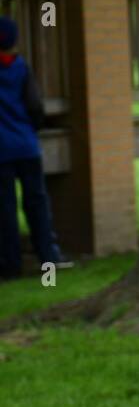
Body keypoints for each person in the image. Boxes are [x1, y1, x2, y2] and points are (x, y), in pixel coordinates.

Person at [0, 15, 71, 280]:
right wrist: (33, 128)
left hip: (2, 152)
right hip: (27, 146)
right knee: (37, 203)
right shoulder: (20, 67)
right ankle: (48, 256)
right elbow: (34, 106)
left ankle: (11, 263)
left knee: (5, 208)